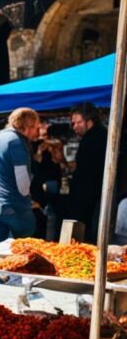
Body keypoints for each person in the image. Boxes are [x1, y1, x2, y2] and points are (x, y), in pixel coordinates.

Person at [0, 107, 40, 243]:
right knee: (24, 256)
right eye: (36, 127)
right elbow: (23, 183)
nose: (37, 132)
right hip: (15, 210)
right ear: (28, 126)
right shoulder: (16, 142)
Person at [68, 103, 106, 242]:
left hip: (90, 199)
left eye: (78, 122)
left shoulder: (94, 138)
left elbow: (88, 171)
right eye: (73, 123)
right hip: (91, 196)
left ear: (90, 121)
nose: (75, 127)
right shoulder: (97, 136)